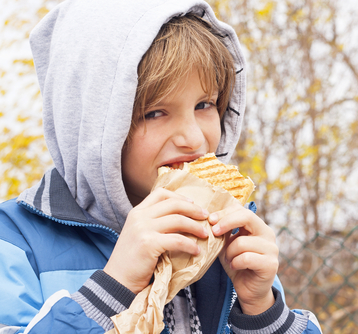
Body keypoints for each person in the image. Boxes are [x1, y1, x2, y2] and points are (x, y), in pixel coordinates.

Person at [0, 1, 322, 333]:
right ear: (92, 124)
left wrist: (262, 313)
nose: (194, 138)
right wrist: (114, 286)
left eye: (204, 105)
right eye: (155, 112)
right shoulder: (13, 242)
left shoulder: (229, 241)